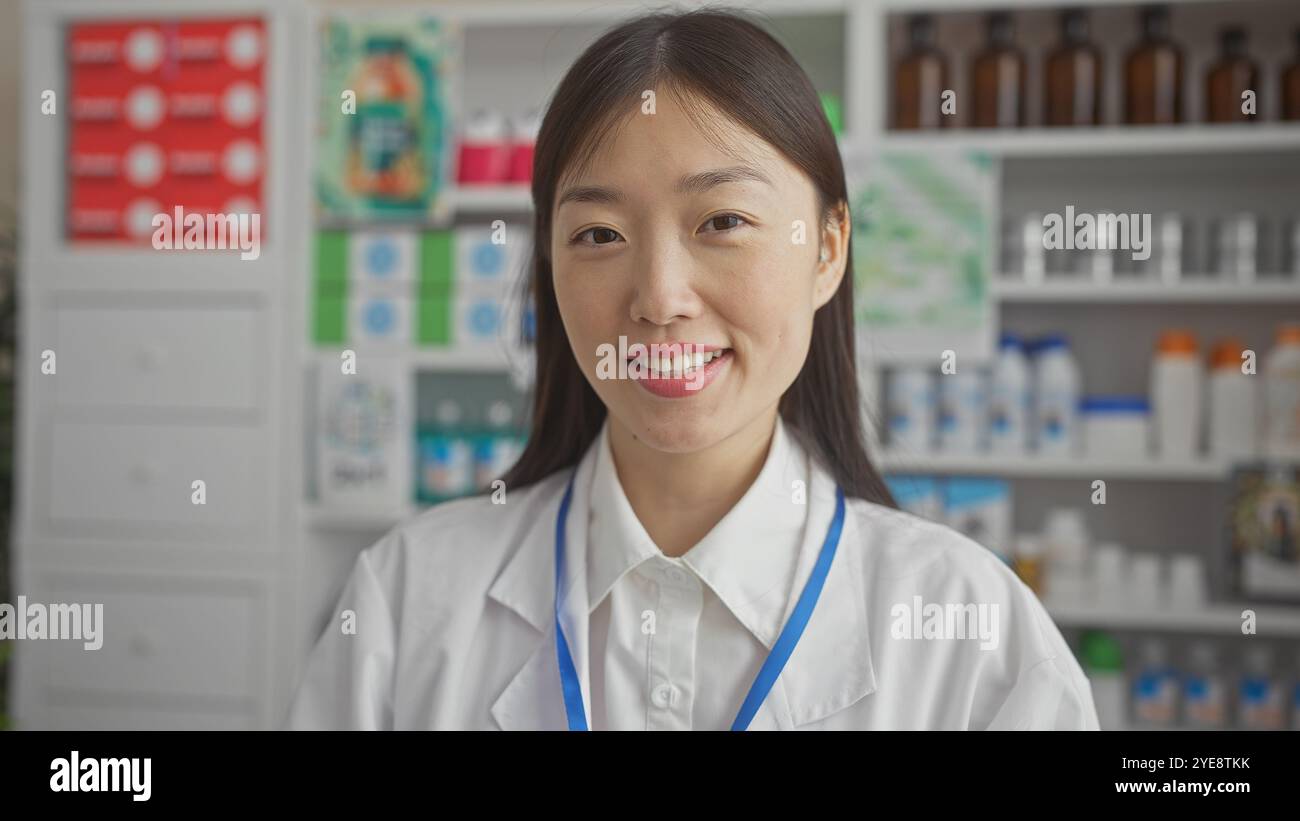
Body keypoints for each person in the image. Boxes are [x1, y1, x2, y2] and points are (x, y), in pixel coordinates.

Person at [287, 9, 1099, 731]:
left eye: (722, 220)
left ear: (826, 248)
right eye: (600, 234)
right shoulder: (407, 597)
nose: (660, 296)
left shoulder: (973, 632)